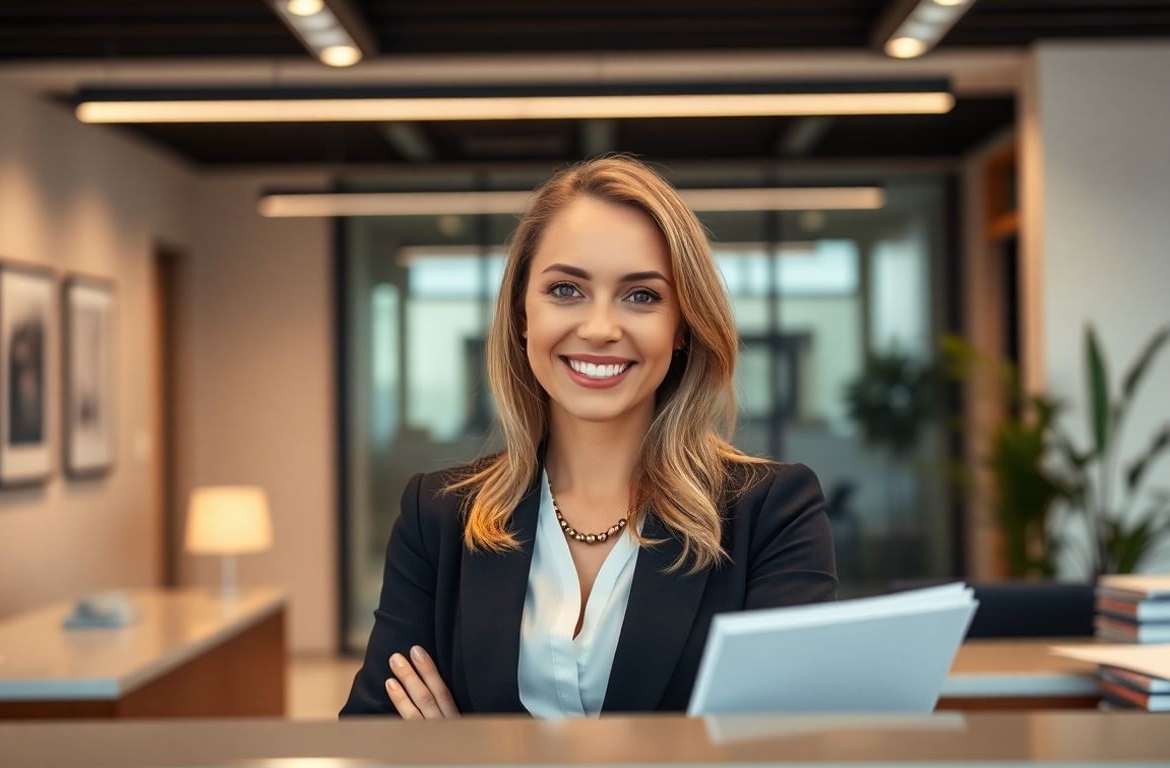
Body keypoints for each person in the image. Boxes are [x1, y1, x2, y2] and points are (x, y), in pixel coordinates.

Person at [339, 155, 837, 719]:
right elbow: (374, 736)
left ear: (682, 326)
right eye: (566, 289)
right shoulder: (438, 516)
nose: (600, 329)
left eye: (642, 295)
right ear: (522, 314)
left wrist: (470, 752)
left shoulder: (771, 514)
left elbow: (785, 743)